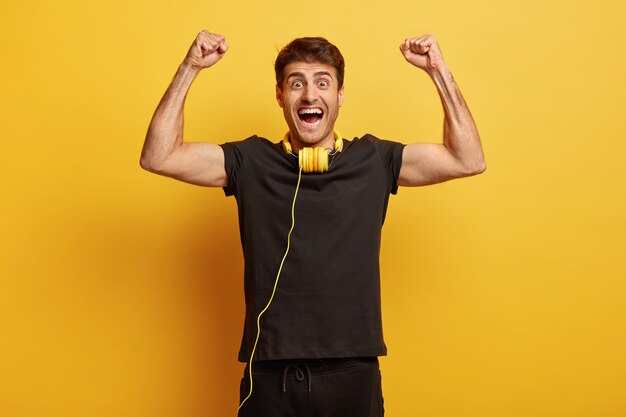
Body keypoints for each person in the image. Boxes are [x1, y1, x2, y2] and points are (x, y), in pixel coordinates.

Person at [140, 30, 486, 417]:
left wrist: (438, 71)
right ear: (280, 96)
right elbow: (159, 156)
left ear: (339, 96)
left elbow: (467, 159)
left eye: (323, 83)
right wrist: (190, 68)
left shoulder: (376, 160)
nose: (309, 95)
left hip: (353, 374)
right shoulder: (249, 162)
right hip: (269, 375)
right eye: (296, 84)